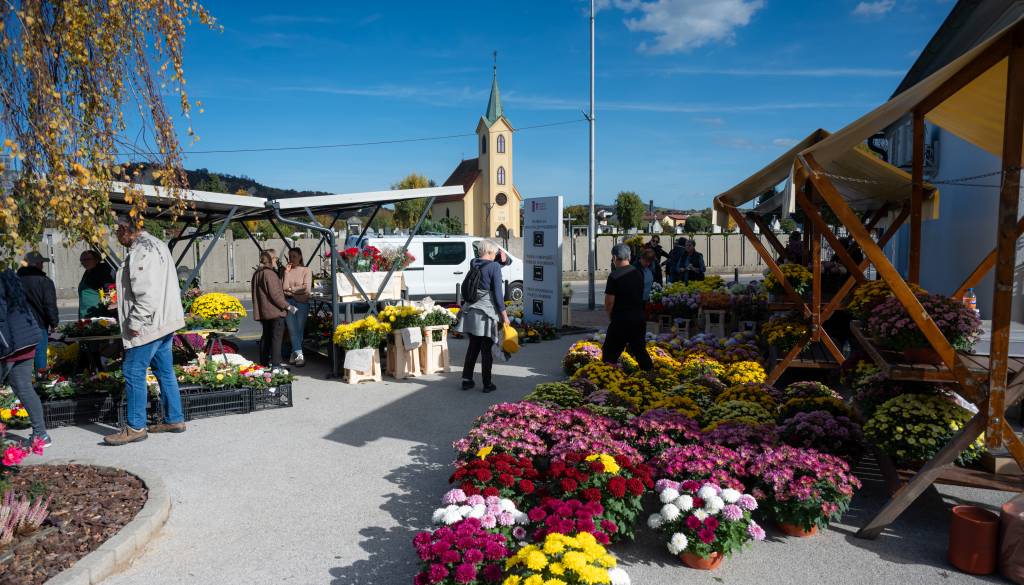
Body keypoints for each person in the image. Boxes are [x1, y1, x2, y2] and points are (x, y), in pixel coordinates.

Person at [104, 215, 188, 446]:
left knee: (132, 371)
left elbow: (146, 294)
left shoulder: (142, 251)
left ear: (125, 229)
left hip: (148, 324)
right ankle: (174, 419)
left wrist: (134, 323)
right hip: (163, 320)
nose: (116, 236)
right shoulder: (158, 245)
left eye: (117, 231)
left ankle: (135, 427)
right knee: (164, 371)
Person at [0, 269, 51, 447]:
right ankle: (41, 435)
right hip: (26, 338)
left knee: (23, 388)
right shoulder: (9, 272)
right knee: (24, 388)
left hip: (9, 343)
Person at [454, 239, 510, 393]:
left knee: (473, 346)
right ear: (492, 252)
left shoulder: (474, 263)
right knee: (486, 349)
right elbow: (498, 295)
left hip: (471, 311)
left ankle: (467, 380)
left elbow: (488, 261)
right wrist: (504, 316)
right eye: (495, 253)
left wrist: (499, 259)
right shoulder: (494, 267)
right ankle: (487, 384)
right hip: (486, 314)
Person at [603, 244, 653, 371]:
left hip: (621, 319)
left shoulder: (614, 276)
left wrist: (610, 316)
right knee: (640, 351)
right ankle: (650, 376)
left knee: (610, 353)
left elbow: (609, 302)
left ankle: (606, 379)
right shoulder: (638, 273)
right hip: (638, 318)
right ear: (629, 257)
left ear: (614, 257)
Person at [252, 249, 295, 370]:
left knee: (266, 337)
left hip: (265, 312)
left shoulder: (258, 273)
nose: (277, 260)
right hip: (275, 312)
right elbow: (275, 295)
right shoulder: (269, 274)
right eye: (275, 258)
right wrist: (289, 307)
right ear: (271, 259)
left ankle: (264, 363)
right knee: (276, 339)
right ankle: (276, 365)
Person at [17, 252, 59, 376]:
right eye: (41, 263)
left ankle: (22, 382)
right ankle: (40, 381)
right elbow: (49, 305)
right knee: (40, 353)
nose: (43, 265)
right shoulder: (44, 281)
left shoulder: (15, 280)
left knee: (21, 355)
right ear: (37, 264)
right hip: (38, 324)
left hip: (18, 325)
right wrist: (54, 323)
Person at [282, 247, 312, 367]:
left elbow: (306, 288)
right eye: (290, 257)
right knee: (293, 331)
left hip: (302, 303)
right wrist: (286, 273)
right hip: (289, 304)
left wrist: (292, 290)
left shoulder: (306, 270)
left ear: (300, 256)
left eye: (294, 256)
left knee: (299, 331)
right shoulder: (287, 271)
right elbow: (284, 288)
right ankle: (300, 357)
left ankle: (293, 354)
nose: (291, 259)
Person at [78, 250, 115, 318]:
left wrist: (108, 305)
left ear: (96, 260)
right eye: (82, 260)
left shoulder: (101, 271)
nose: (84, 262)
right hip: (86, 314)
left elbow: (109, 287)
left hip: (97, 314)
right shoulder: (88, 271)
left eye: (88, 259)